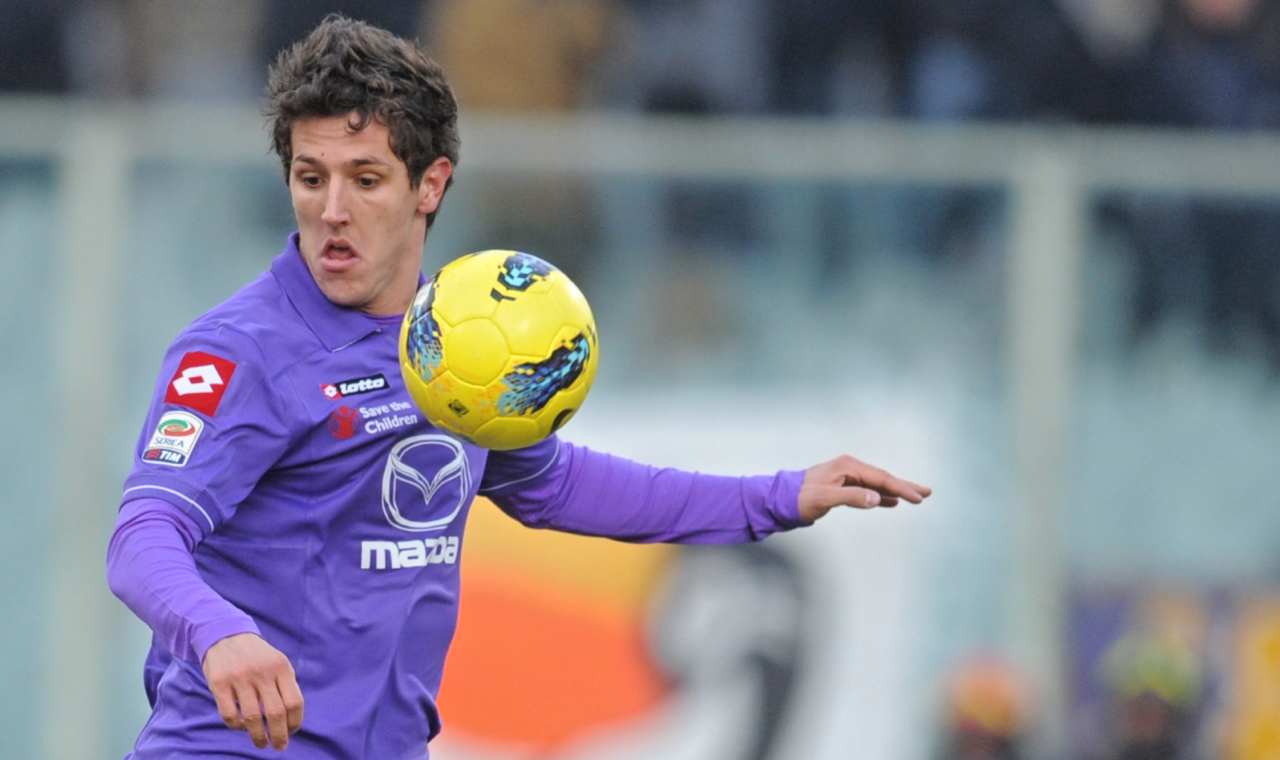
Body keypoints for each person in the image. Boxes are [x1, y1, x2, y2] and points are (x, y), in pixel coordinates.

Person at [105, 14, 933, 759]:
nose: (331, 210)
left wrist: (783, 495)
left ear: (430, 185)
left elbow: (561, 483)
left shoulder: (458, 345)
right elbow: (144, 534)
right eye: (310, 177)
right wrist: (219, 635)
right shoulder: (238, 352)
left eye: (365, 179)